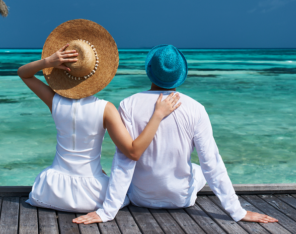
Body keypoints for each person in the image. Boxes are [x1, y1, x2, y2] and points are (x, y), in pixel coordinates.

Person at [73, 45, 278, 225]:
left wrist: (108, 211)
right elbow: (212, 164)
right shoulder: (195, 108)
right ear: (181, 73)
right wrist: (237, 211)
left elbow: (124, 160)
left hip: (140, 197)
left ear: (150, 71)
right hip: (181, 200)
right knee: (199, 168)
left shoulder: (129, 104)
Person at [18, 20, 181, 213]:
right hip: (91, 196)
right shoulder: (105, 109)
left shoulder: (55, 102)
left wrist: (47, 62)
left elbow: (24, 73)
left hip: (50, 191)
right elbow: (133, 152)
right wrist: (158, 115)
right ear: (97, 72)